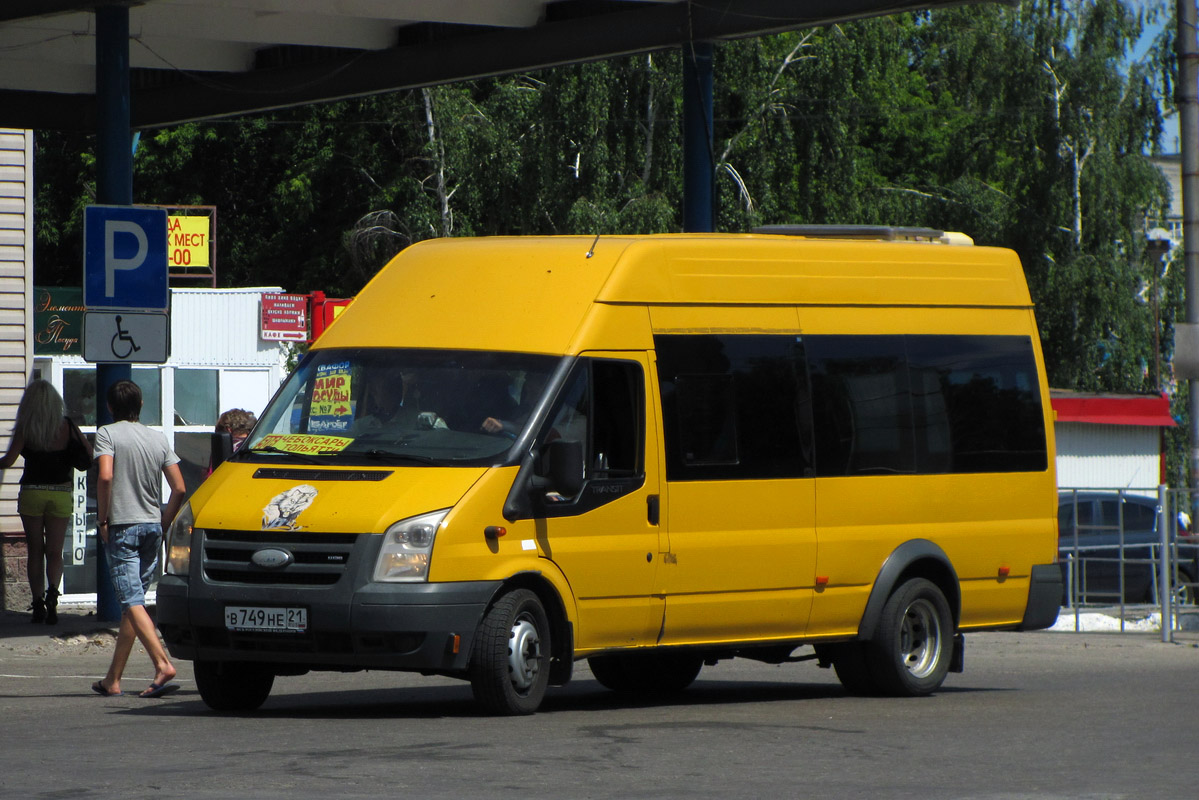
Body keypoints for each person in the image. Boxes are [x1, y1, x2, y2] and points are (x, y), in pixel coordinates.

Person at [91, 379, 186, 699]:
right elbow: (180, 488)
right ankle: (112, 679)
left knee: (131, 601)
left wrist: (103, 519)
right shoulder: (157, 438)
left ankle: (162, 663)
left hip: (123, 527)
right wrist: (164, 519)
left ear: (109, 407)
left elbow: (105, 476)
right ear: (141, 405)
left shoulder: (107, 434)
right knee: (135, 604)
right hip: (151, 527)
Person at [0, 380, 92, 624]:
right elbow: (89, 454)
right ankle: (53, 595)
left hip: (32, 491)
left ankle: (38, 601)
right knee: (55, 551)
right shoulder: (67, 426)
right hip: (60, 493)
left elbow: (8, 460)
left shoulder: (26, 428)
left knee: (35, 550)